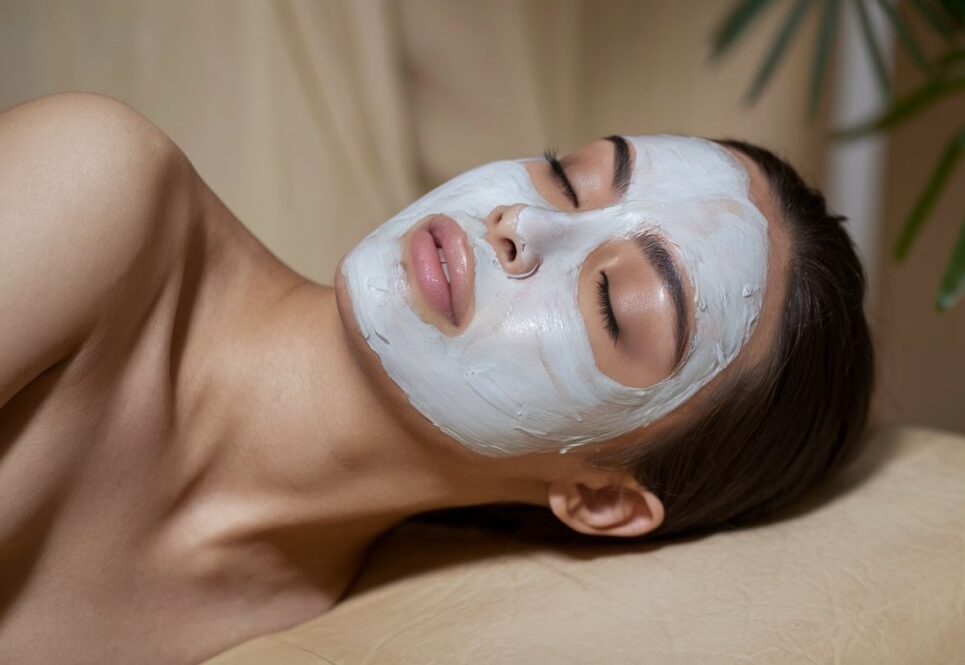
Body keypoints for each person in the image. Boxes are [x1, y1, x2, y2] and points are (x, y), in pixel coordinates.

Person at [0, 92, 873, 663]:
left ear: (600, 498)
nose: (519, 221)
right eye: (569, 178)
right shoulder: (102, 190)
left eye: (612, 303)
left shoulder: (294, 620)